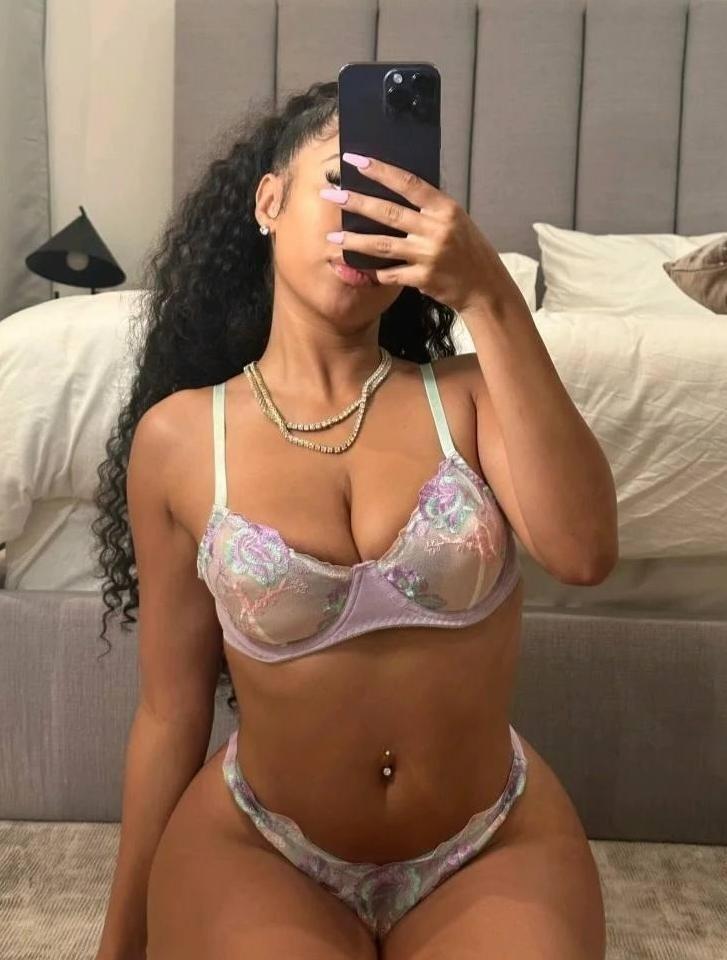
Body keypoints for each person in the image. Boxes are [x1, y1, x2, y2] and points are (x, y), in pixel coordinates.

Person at [93, 80, 615, 960]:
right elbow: (170, 712)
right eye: (345, 181)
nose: (366, 214)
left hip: (488, 841)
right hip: (262, 847)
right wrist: (119, 942)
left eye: (394, 193)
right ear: (269, 202)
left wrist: (489, 296)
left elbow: (584, 552)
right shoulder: (180, 438)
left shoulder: (470, 398)